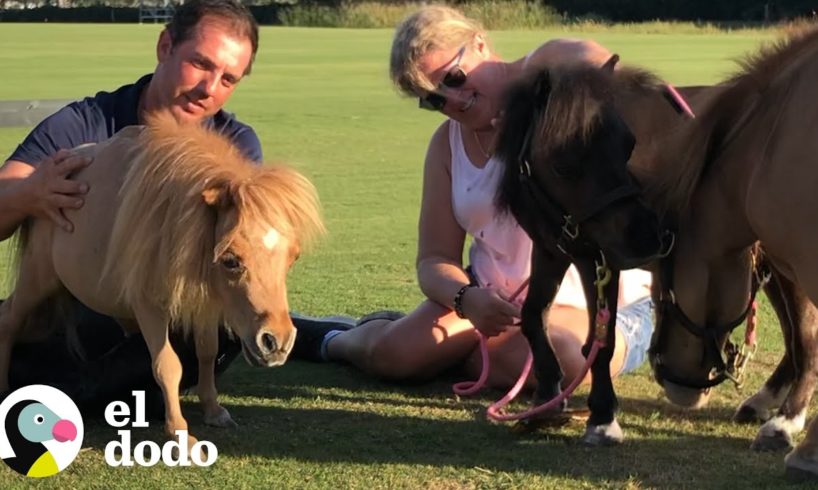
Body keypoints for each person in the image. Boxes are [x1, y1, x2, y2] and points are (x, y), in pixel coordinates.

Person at [290, 5, 655, 392]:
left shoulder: (547, 84)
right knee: (394, 355)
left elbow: (591, 57)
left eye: (455, 77)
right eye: (433, 98)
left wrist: (538, 102)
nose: (453, 100)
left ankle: (471, 355)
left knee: (564, 359)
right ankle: (333, 338)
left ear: (479, 44)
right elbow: (434, 260)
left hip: (594, 299)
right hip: (491, 303)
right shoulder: (447, 145)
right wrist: (468, 299)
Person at [1, 0, 259, 414]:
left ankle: (72, 389)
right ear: (164, 46)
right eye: (199, 63)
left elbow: (245, 258)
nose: (209, 89)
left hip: (173, 314)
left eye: (228, 78)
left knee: (219, 332)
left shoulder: (237, 148)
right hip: (78, 308)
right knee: (79, 332)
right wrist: (30, 191)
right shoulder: (85, 123)